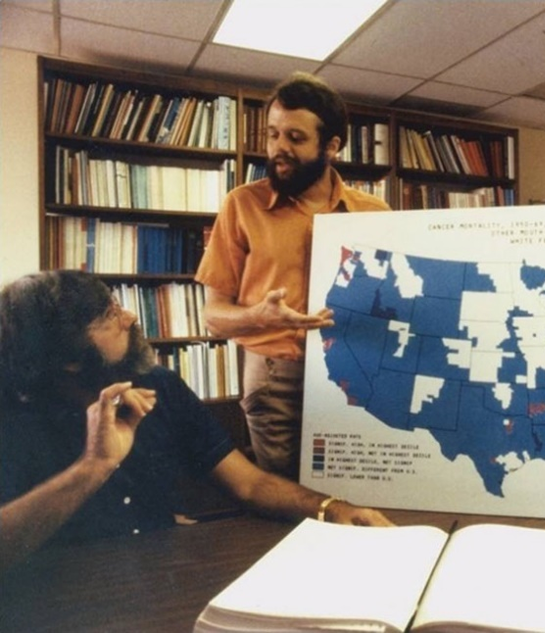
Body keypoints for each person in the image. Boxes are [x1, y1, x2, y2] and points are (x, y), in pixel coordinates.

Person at [0, 270, 393, 575]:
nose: (129, 316)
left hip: (162, 585)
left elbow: (250, 483)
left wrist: (331, 508)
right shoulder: (11, 416)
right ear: (68, 357)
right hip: (60, 604)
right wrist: (93, 466)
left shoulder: (158, 384)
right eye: (109, 314)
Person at [195, 72, 391, 480]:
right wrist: (260, 317)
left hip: (356, 368)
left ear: (332, 146)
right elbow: (212, 316)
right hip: (275, 374)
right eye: (272, 134)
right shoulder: (242, 205)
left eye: (296, 138)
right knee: (287, 494)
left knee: (355, 487)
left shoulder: (375, 213)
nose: (279, 148)